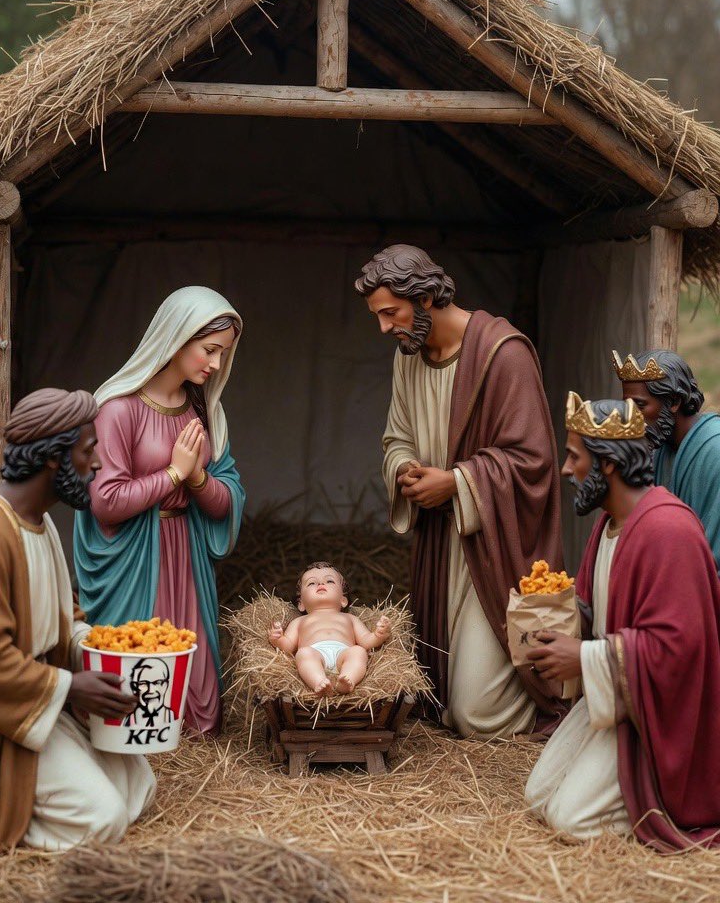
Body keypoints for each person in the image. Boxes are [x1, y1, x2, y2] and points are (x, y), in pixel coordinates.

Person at [0, 388, 155, 857]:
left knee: (139, 784)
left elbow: (62, 619)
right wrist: (72, 689)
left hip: (36, 699)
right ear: (55, 457)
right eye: (88, 450)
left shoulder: (40, 522)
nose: (96, 464)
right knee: (104, 819)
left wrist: (98, 648)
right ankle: (4, 810)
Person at [355, 245, 563, 737]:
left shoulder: (502, 353)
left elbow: (534, 460)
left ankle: (542, 699)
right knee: (436, 695)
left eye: (391, 313)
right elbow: (396, 436)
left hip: (493, 546)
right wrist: (406, 469)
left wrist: (457, 481)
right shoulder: (408, 357)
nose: (384, 327)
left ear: (425, 297)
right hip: (440, 544)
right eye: (378, 316)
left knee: (475, 714)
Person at [525, 392, 720, 850]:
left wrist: (585, 656)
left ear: (607, 463)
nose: (566, 470)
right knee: (538, 798)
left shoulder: (667, 531)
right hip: (619, 694)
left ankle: (661, 800)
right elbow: (602, 615)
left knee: (571, 821)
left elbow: (680, 649)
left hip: (659, 717)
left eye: (574, 457)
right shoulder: (609, 524)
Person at [74, 286, 245, 735]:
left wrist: (196, 479)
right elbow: (106, 502)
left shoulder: (204, 413)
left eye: (223, 354)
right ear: (177, 338)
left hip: (185, 555)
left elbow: (229, 497)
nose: (215, 364)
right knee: (140, 664)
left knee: (198, 684)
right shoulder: (117, 410)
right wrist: (171, 475)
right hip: (134, 561)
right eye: (209, 350)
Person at [614, 348, 720, 569]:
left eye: (640, 406)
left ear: (674, 401)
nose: (630, 418)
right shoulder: (660, 447)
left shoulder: (715, 451)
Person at [268, 563, 391, 694]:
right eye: (311, 583)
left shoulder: (349, 618)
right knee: (303, 653)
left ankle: (348, 679)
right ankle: (319, 682)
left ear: (343, 600)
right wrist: (278, 639)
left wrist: (378, 635)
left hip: (343, 654)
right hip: (315, 653)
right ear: (301, 603)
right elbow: (289, 646)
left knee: (358, 651)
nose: (321, 583)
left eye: (329, 581)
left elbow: (366, 641)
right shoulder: (299, 621)